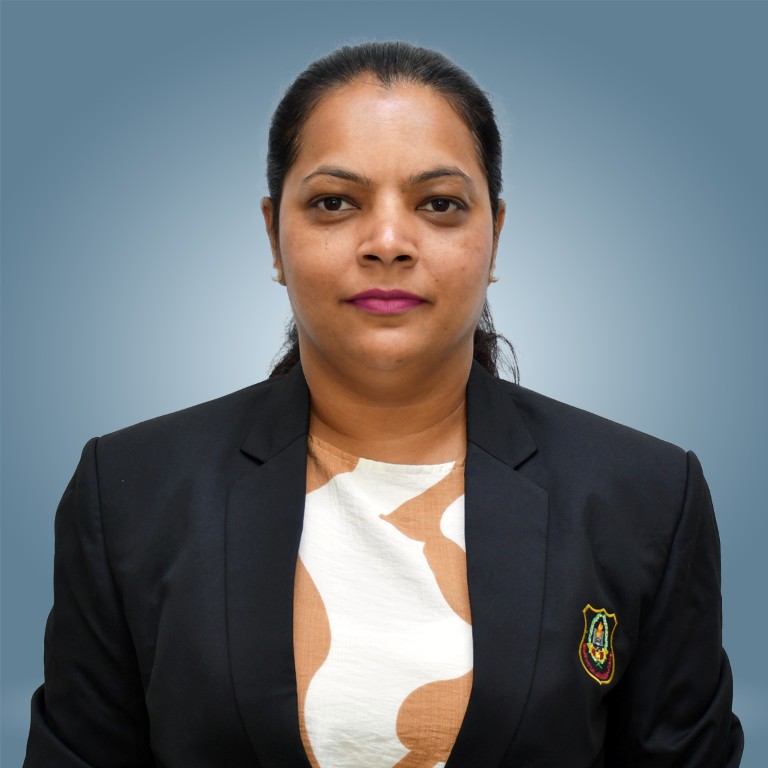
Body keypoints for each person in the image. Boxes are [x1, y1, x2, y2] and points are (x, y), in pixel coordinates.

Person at [24, 42, 743, 767]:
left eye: (439, 204)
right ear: (273, 235)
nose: (388, 243)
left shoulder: (645, 499)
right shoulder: (130, 493)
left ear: (495, 236)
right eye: (335, 202)